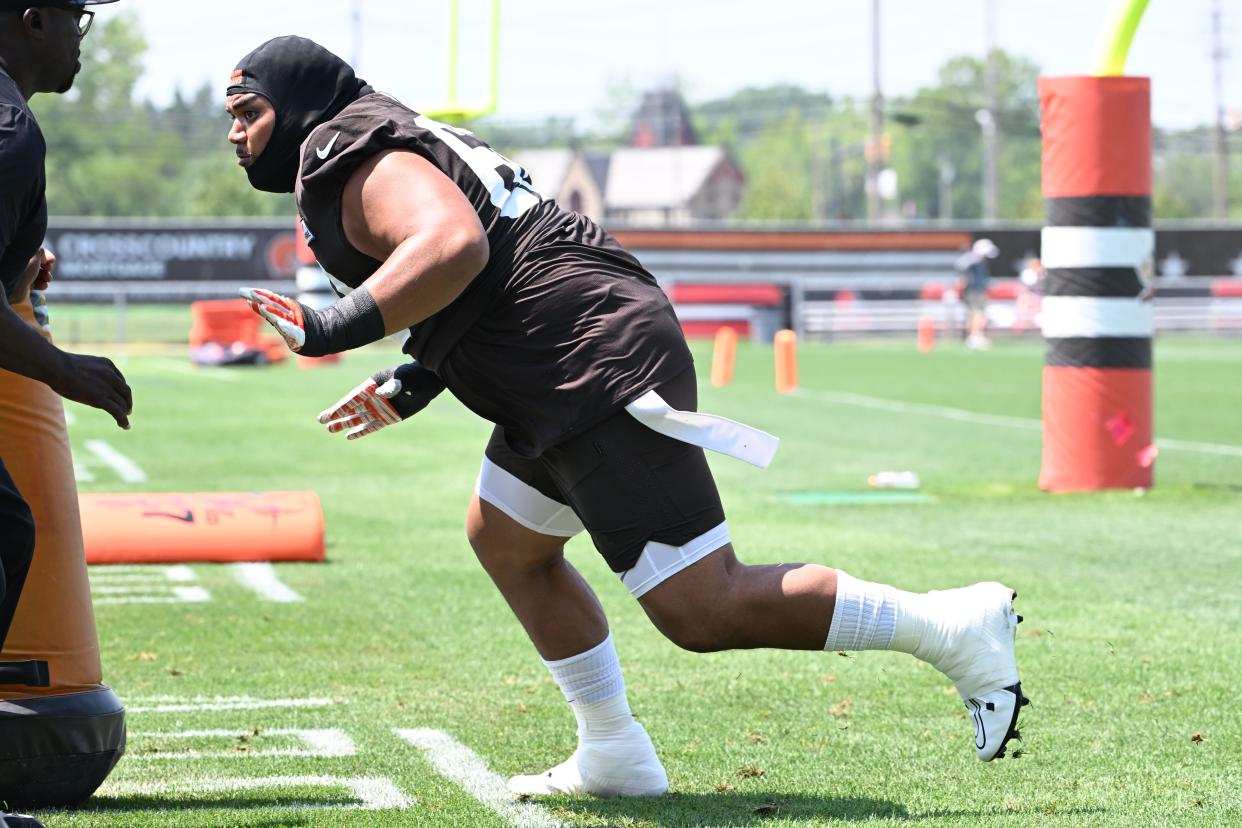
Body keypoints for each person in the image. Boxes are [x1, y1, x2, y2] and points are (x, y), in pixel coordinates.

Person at [228, 36, 1028, 798]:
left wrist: (336, 326)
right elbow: (488, 260)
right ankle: (611, 748)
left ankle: (949, 626)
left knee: (701, 605)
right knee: (507, 539)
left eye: (249, 110)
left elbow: (454, 242)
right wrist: (420, 374)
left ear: (297, 103)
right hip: (555, 358)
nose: (237, 133)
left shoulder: (351, 152)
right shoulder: (375, 133)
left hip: (583, 358)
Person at [956, 238, 999, 350]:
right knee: (978, 314)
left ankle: (973, 336)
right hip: (975, 291)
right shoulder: (973, 261)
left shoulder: (976, 261)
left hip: (975, 291)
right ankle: (975, 336)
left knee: (975, 314)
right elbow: (962, 271)